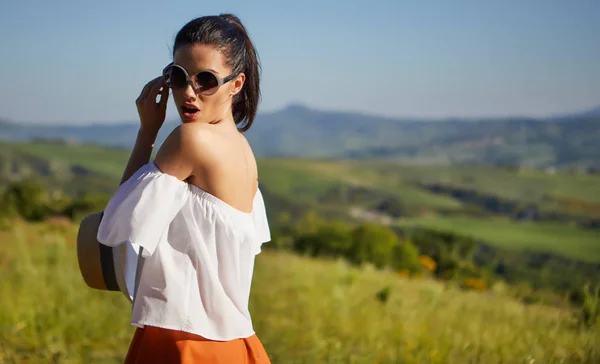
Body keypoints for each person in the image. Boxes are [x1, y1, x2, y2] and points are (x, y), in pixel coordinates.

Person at [96, 14, 272, 363]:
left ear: (236, 84)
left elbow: (117, 222)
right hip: (234, 344)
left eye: (206, 80)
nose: (188, 93)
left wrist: (148, 131)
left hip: (184, 343)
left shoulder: (191, 139)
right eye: (178, 77)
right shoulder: (242, 150)